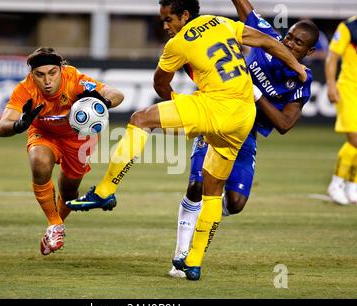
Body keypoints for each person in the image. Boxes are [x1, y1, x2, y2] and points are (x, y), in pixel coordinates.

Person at [67, 0, 307, 281]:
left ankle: (105, 191)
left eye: (169, 20)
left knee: (141, 119)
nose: (166, 26)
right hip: (244, 117)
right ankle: (193, 263)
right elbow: (267, 41)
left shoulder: (177, 44)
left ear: (184, 15)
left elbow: (160, 84)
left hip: (215, 107)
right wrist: (298, 68)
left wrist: (178, 104)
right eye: (162, 22)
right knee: (212, 190)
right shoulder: (220, 22)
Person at [167, 0, 318, 278]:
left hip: (246, 131)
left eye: (298, 43)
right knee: (197, 184)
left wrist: (255, 94)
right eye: (289, 35)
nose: (289, 42)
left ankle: (203, 219)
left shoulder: (301, 79)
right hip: (218, 116)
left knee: (235, 203)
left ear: (308, 51)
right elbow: (244, 7)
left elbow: (285, 124)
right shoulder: (267, 38)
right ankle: (181, 254)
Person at [0, 47, 124, 255]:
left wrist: (102, 101)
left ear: (61, 70)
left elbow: (117, 94)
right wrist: (19, 124)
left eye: (52, 73)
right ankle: (55, 225)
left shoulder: (74, 79)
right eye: (40, 75)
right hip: (44, 134)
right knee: (39, 162)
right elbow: (2, 127)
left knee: (69, 192)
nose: (47, 80)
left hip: (79, 139)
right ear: (32, 75)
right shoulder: (25, 89)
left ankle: (53, 228)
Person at [326, 16, 357, 205]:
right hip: (349, 89)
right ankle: (336, 183)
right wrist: (331, 85)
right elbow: (332, 56)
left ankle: (353, 185)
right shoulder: (349, 27)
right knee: (355, 139)